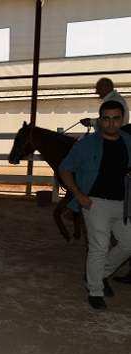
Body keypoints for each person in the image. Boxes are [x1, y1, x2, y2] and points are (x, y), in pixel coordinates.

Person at [59, 100, 131, 310]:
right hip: (94, 202)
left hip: (123, 203)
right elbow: (65, 169)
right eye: (106, 119)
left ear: (122, 119)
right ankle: (95, 290)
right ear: (100, 120)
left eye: (116, 118)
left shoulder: (128, 141)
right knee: (99, 246)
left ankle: (100, 274)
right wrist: (78, 195)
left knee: (128, 243)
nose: (111, 123)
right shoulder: (86, 144)